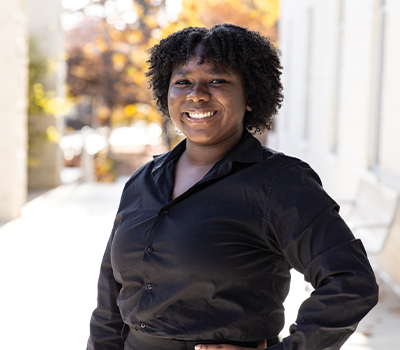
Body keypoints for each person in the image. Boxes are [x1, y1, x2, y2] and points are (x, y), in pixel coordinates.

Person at [87, 24, 378, 350]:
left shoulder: (280, 183)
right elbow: (110, 294)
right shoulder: (143, 180)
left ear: (250, 95)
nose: (196, 93)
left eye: (217, 80)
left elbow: (350, 280)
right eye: (182, 82)